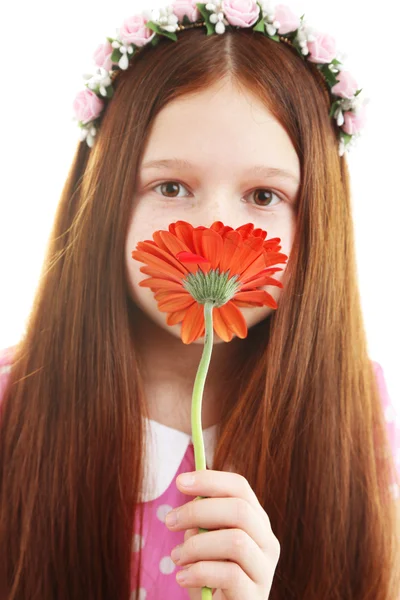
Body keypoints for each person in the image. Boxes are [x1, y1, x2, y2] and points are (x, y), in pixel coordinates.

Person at [0, 2, 399, 599]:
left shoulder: (358, 411)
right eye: (170, 186)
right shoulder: (12, 403)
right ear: (105, 197)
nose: (215, 233)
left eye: (263, 195)